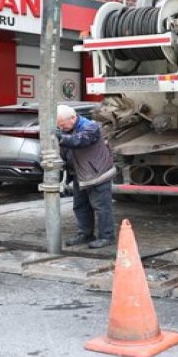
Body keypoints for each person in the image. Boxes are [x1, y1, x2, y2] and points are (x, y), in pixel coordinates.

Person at [56, 104, 116, 249]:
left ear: (73, 118)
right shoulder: (68, 129)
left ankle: (106, 237)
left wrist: (61, 137)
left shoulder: (91, 127)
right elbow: (67, 150)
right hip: (80, 174)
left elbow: (78, 141)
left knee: (102, 207)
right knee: (80, 206)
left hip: (97, 174)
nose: (61, 128)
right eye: (59, 125)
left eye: (63, 124)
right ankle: (85, 234)